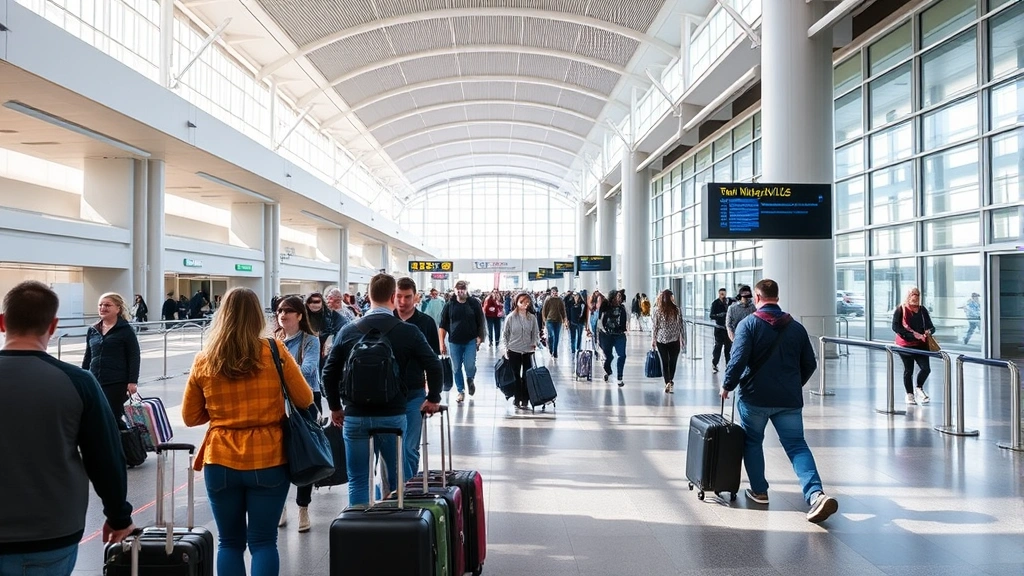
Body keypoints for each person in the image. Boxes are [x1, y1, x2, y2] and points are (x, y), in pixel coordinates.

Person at [0, 281, 136, 574]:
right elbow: (105, 458)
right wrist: (119, 517)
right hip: (51, 534)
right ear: (53, 326)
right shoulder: (79, 383)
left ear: (2, 323)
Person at [182, 287, 314, 576]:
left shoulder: (205, 359)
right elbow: (305, 399)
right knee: (264, 542)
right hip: (269, 457)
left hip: (220, 459)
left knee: (229, 543)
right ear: (258, 316)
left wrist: (221, 414)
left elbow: (190, 417)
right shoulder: (274, 350)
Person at [720, 279, 839, 523]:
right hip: (788, 399)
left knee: (752, 442)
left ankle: (759, 491)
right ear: (777, 296)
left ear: (757, 296)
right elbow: (810, 363)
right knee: (796, 446)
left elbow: (738, 359)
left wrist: (727, 385)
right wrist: (794, 385)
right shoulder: (795, 327)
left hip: (754, 398)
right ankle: (815, 494)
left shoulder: (748, 324)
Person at [323, 274, 442, 506]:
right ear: (392, 297)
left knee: (358, 479)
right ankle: (402, 529)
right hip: (393, 415)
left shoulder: (348, 331)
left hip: (356, 415)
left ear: (368, 296)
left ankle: (358, 533)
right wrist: (433, 398)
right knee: (400, 478)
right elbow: (434, 365)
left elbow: (329, 372)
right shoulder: (408, 331)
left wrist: (336, 407)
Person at [273, 295, 321, 533]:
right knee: (278, 455)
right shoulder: (272, 340)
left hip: (305, 401)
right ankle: (280, 505)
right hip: (278, 402)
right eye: (280, 310)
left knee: (304, 455)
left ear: (300, 315)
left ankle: (303, 507)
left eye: (289, 311)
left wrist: (280, 369)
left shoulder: (310, 341)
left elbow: (308, 370)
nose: (283, 315)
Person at [394, 277, 444, 479]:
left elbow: (433, 361)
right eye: (398, 296)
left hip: (414, 392)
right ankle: (389, 493)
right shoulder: (386, 320)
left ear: (415, 297)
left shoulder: (426, 323)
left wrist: (433, 396)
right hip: (386, 395)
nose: (403, 301)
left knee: (409, 448)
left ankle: (406, 492)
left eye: (407, 297)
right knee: (388, 450)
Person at [82, 292, 141, 430]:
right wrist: (82, 377)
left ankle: (123, 447)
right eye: (100, 305)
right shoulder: (93, 330)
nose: (103, 308)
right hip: (95, 381)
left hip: (116, 382)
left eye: (107, 305)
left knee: (111, 416)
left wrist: (132, 381)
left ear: (118, 309)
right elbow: (88, 356)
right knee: (96, 416)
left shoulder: (126, 330)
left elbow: (134, 356)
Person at [438, 280, 486, 404]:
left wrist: (480, 337)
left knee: (469, 365)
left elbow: (481, 321)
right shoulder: (449, 305)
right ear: (455, 290)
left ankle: (470, 379)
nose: (460, 291)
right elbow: (442, 325)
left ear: (466, 290)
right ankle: (461, 391)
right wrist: (441, 343)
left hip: (470, 340)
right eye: (458, 289)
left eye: (463, 289)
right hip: (454, 341)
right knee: (456, 367)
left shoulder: (474, 303)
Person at [892, 287, 936, 405]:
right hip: (906, 345)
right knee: (908, 370)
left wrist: (929, 332)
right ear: (908, 295)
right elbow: (896, 327)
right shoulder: (901, 310)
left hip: (921, 344)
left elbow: (931, 326)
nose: (915, 297)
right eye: (912, 294)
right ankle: (909, 394)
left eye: (917, 294)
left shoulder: (922, 310)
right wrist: (912, 335)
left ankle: (919, 388)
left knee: (926, 368)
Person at [501, 292, 541, 410]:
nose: (525, 304)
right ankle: (517, 398)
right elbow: (505, 334)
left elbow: (535, 332)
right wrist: (505, 348)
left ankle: (525, 398)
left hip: (528, 350)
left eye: (527, 302)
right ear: (516, 303)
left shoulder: (532, 318)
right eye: (522, 302)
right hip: (514, 349)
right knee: (516, 376)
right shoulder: (511, 317)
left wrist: (535, 343)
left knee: (527, 375)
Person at [305, 291, 347, 375]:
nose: (314, 304)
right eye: (311, 302)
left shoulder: (332, 316)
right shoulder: (303, 316)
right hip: (308, 353)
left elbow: (342, 331)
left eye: (317, 302)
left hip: (326, 354)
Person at [651, 290, 685, 394]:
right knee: (671, 362)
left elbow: (655, 327)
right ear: (668, 297)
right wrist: (653, 339)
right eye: (671, 296)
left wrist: (654, 339)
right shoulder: (673, 310)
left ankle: (668, 382)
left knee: (665, 362)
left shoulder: (675, 310)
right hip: (671, 340)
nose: (673, 298)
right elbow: (680, 326)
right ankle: (669, 381)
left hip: (663, 340)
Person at [596, 289, 629, 387]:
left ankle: (620, 378)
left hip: (619, 335)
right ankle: (608, 371)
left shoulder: (622, 308)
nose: (619, 298)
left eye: (620, 296)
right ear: (612, 297)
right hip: (607, 335)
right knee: (609, 357)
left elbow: (625, 320)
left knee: (622, 355)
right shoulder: (605, 307)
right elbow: (599, 321)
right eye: (617, 296)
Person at [709, 288, 733, 373]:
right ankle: (714, 364)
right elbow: (711, 316)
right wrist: (719, 315)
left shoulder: (729, 303)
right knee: (718, 347)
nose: (723, 296)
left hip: (727, 329)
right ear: (719, 294)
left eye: (724, 294)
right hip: (719, 329)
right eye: (721, 294)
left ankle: (729, 365)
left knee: (728, 348)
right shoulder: (715, 303)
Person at [541, 287, 568, 359]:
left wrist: (564, 318)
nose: (554, 293)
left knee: (557, 336)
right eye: (553, 292)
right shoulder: (548, 300)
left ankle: (555, 351)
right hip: (549, 320)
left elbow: (563, 310)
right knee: (551, 335)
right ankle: (551, 348)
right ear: (551, 292)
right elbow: (544, 310)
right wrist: (544, 320)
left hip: (558, 320)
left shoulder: (560, 300)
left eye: (556, 292)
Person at [567, 291, 588, 357]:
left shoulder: (582, 304)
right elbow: (568, 312)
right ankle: (573, 350)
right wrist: (568, 320)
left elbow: (583, 314)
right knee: (572, 337)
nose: (576, 298)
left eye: (577, 296)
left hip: (580, 323)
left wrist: (585, 323)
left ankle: (578, 348)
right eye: (575, 296)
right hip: (572, 322)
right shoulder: (571, 303)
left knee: (579, 336)